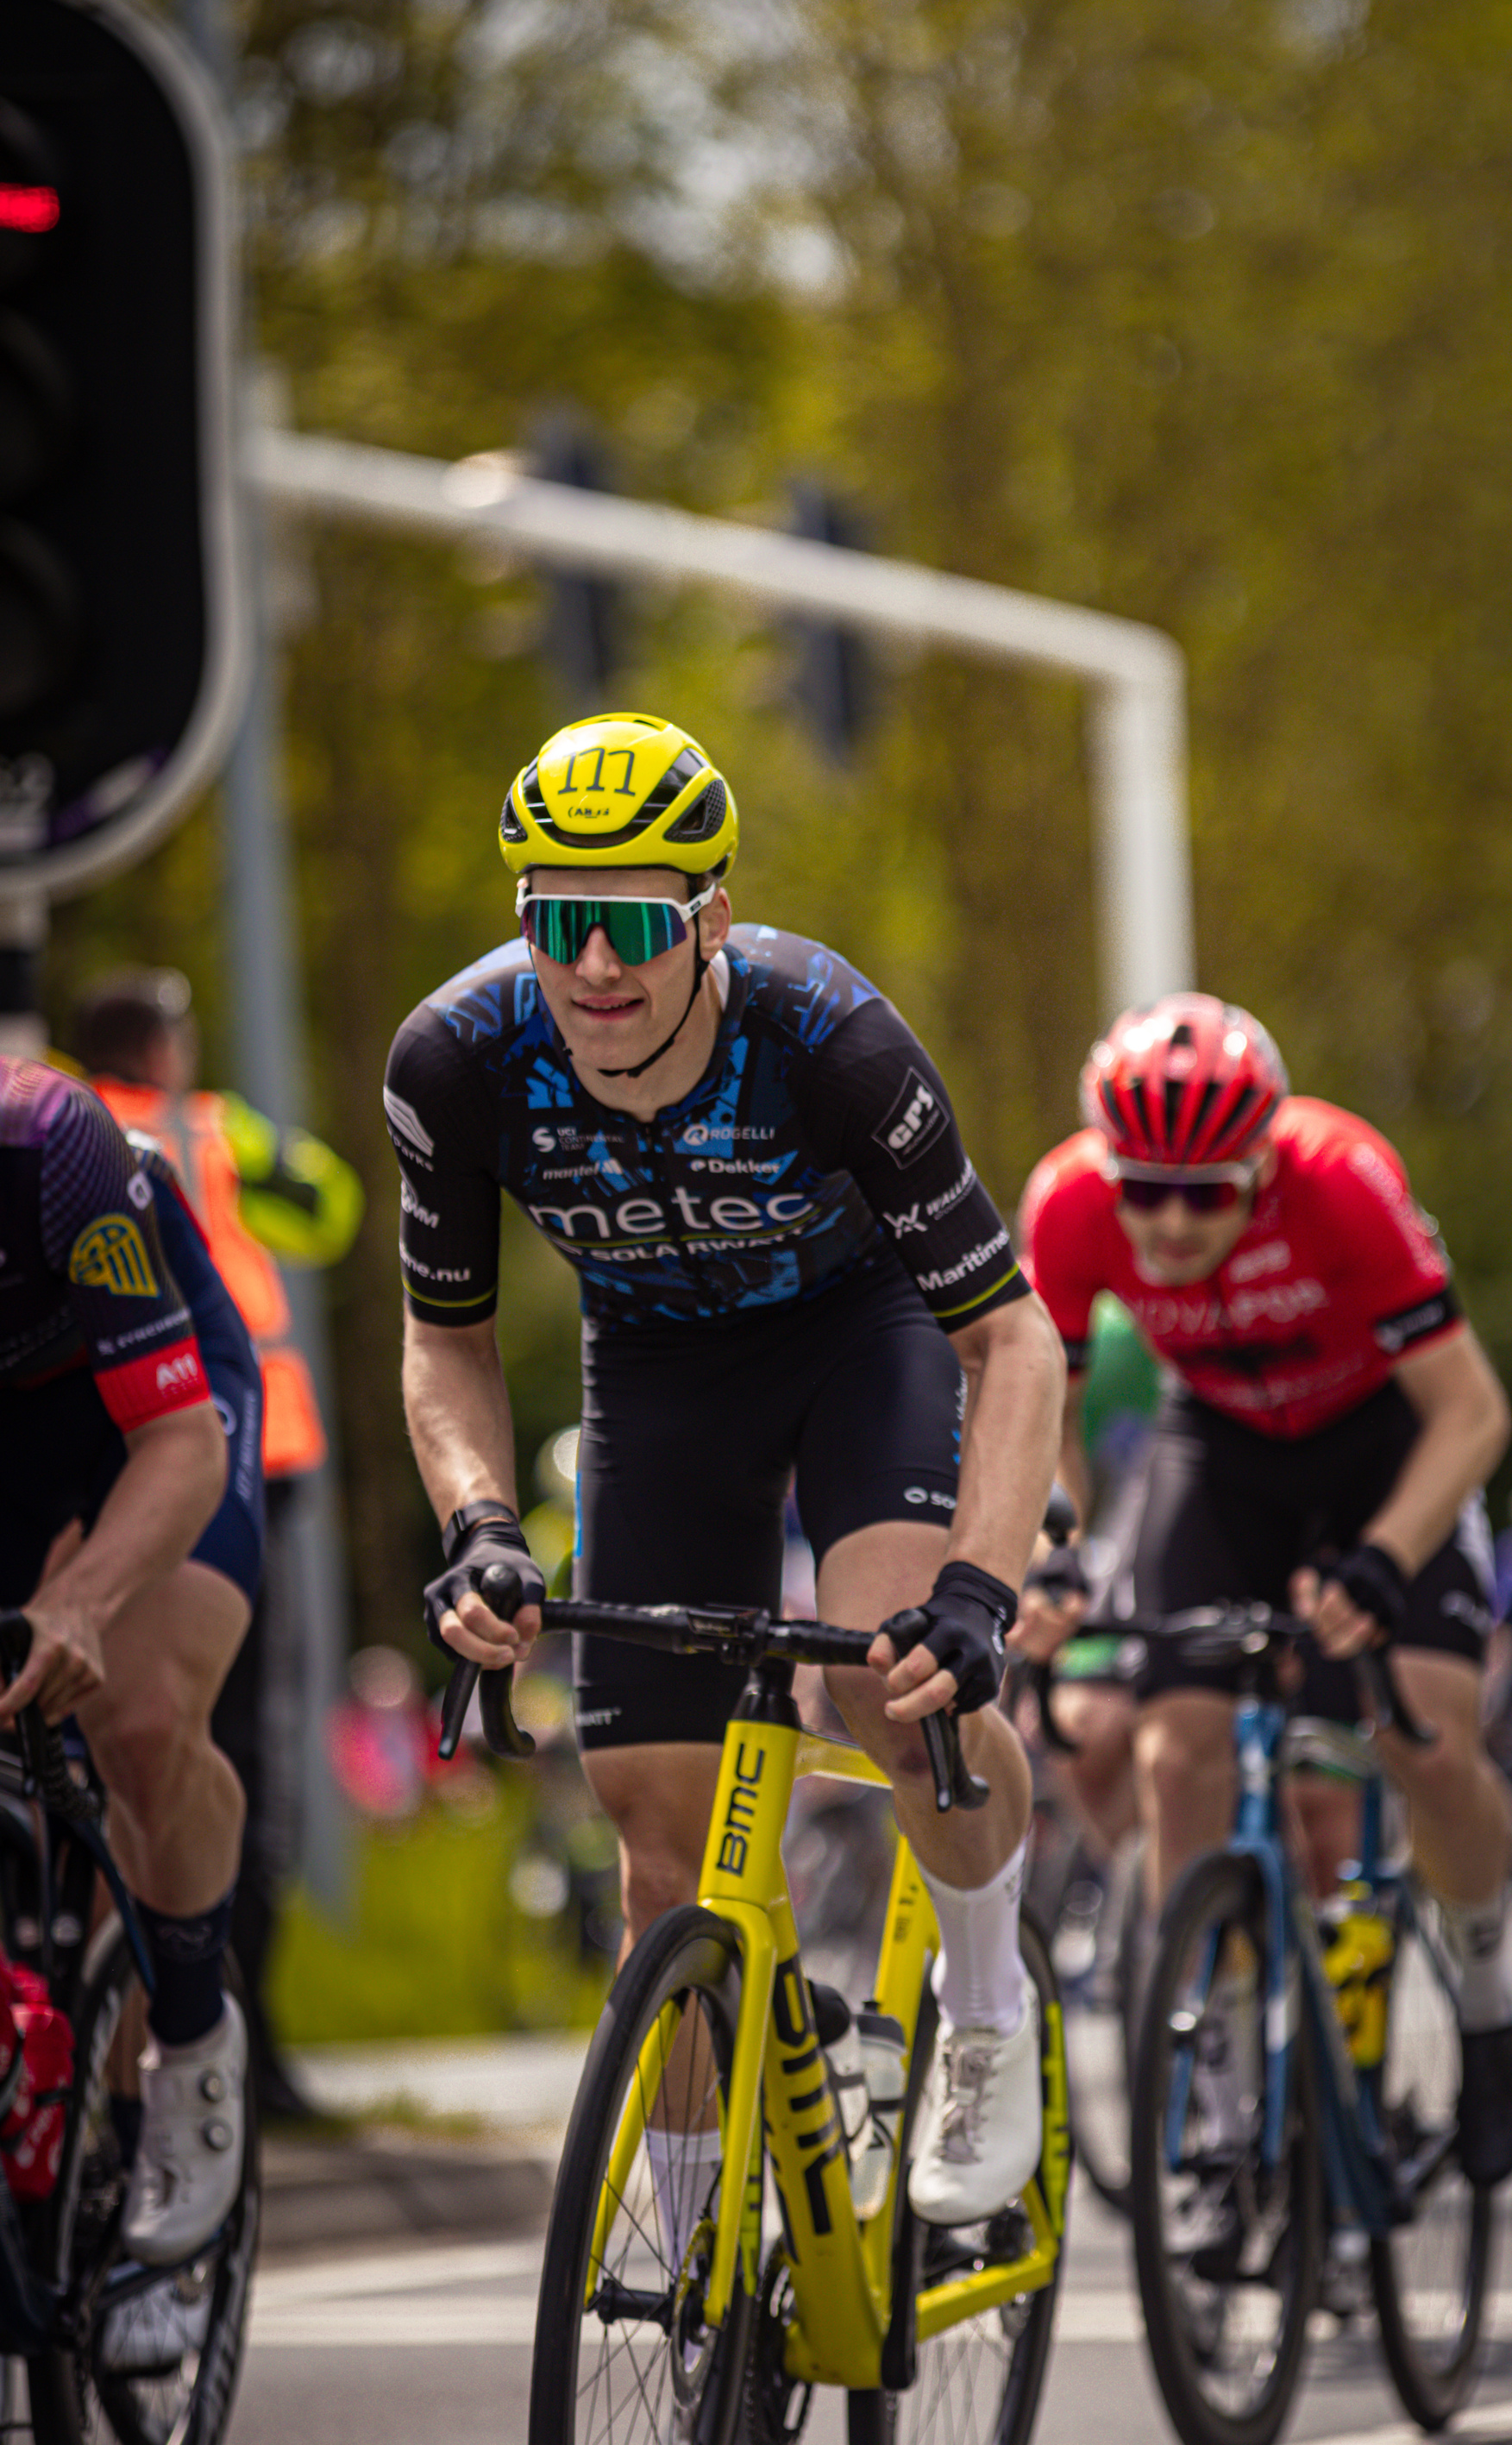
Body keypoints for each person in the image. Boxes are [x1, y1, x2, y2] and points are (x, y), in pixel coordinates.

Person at [385, 711, 1064, 2223]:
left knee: (891, 1678)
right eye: (560, 922)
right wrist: (484, 1526)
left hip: (857, 1336)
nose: (597, 969)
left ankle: (988, 2008)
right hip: (657, 1371)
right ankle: (693, 2256)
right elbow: (448, 1342)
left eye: (634, 923)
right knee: (648, 1823)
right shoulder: (454, 1061)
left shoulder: (829, 1037)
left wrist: (979, 1592)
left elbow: (1015, 1343)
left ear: (713, 922)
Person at [1016, 992, 1512, 2189]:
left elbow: (1473, 1413)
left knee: (1430, 1738)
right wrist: (1059, 1545)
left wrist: (1384, 1559)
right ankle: (1229, 2079)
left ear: (1262, 1166)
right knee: (1171, 1749)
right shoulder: (1070, 1204)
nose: (1171, 1221)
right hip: (1227, 1446)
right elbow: (1045, 1409)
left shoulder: (1342, 1180)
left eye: (1207, 1193)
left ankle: (1489, 2000)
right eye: (1145, 1188)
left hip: (1385, 1443)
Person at [71, 967, 363, 2119]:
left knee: (112, 1747)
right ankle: (246, 2035)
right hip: (247, 1466)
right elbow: (331, 1206)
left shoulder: (52, 1121)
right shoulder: (211, 1129)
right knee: (241, 1751)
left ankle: (117, 2042)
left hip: (96, 1469)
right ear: (166, 1043)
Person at [0, 1057, 264, 2259]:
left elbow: (178, 1443)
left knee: (145, 1719)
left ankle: (191, 2058)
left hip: (144, 1416)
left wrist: (84, 1600)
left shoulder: (50, 1142)